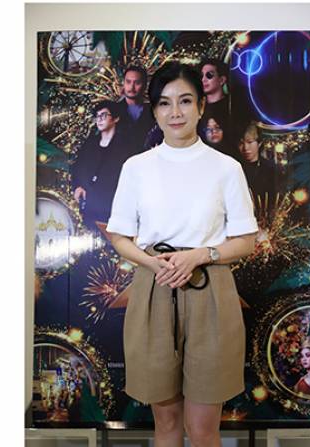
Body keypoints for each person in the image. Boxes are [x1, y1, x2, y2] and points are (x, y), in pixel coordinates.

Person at [106, 61, 258, 447]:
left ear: (201, 106)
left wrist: (200, 255)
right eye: (165, 103)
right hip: (154, 286)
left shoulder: (226, 168)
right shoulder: (136, 167)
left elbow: (246, 241)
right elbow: (119, 236)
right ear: (155, 110)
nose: (175, 112)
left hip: (211, 291)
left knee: (204, 428)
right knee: (167, 423)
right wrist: (151, 262)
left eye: (185, 101)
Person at [71, 100, 132, 230]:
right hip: (90, 207)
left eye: (103, 115)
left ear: (115, 118)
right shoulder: (90, 144)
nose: (99, 119)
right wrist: (78, 186)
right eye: (97, 116)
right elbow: (77, 167)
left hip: (114, 208)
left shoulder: (125, 146)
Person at [237, 121, 281, 211]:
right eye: (241, 143)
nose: (245, 148)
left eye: (250, 142)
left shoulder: (271, 169)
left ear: (259, 143)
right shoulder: (234, 168)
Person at [115, 65, 159, 150]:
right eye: (128, 82)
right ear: (123, 84)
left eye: (137, 83)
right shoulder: (113, 110)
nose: (132, 87)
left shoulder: (153, 112)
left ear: (145, 85)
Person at [198, 58, 233, 157]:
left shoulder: (232, 106)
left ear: (222, 80)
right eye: (201, 76)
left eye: (209, 75)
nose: (204, 79)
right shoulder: (197, 107)